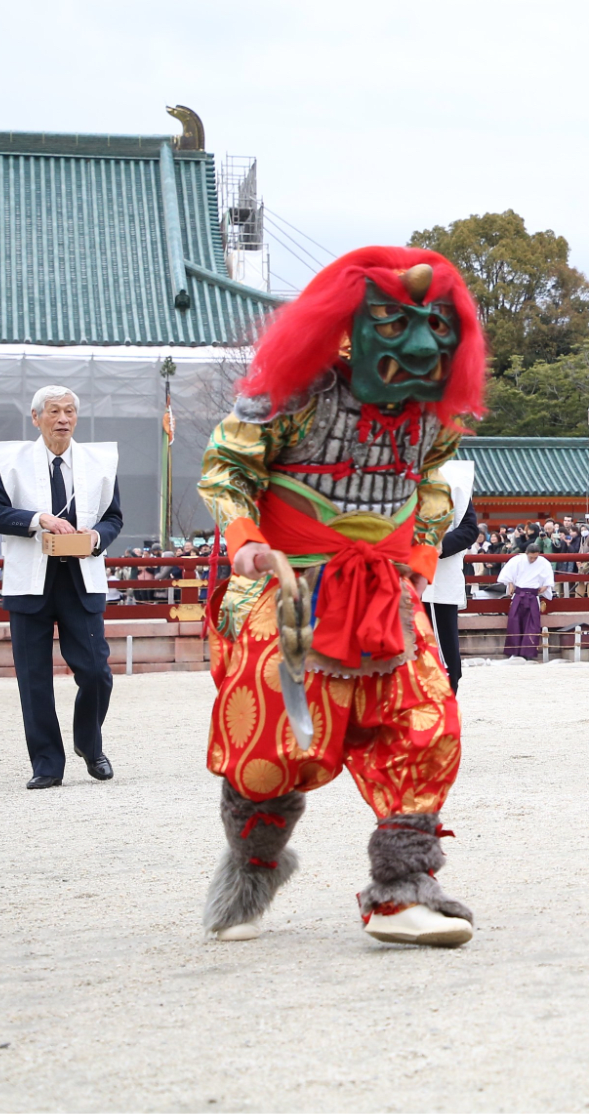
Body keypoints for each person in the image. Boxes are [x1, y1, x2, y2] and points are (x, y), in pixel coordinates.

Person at [196, 247, 483, 948]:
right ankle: (252, 867)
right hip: (290, 584)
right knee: (272, 742)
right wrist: (244, 537)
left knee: (426, 723)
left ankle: (403, 889)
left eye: (435, 326)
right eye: (394, 323)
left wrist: (421, 553)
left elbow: (433, 484)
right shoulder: (293, 396)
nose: (421, 346)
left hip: (386, 590)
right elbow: (227, 467)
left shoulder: (434, 416)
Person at [0, 385, 124, 789]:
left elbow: (113, 517)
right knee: (34, 678)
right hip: (30, 582)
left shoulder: (100, 462)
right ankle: (46, 764)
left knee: (96, 672)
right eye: (54, 411)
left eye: (70, 411)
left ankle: (89, 744)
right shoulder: (11, 462)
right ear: (36, 417)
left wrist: (96, 537)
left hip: (81, 579)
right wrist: (38, 519)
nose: (63, 419)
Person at [424, 459, 478, 692]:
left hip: (438, 577)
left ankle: (445, 698)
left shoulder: (454, 481)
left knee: (443, 648)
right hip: (399, 576)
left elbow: (469, 529)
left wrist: (439, 545)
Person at [497, 547, 554, 659]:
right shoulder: (517, 560)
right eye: (531, 557)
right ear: (526, 553)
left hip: (533, 595)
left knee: (532, 625)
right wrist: (510, 584)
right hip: (519, 594)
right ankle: (514, 652)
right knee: (514, 623)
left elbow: (548, 579)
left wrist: (545, 586)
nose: (533, 560)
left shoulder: (543, 562)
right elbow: (508, 574)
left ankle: (528, 653)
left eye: (535, 557)